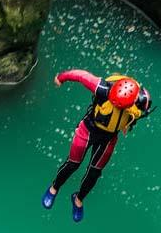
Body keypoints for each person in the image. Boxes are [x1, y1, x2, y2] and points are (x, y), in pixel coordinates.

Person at [41, 69, 155, 222]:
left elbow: (144, 111)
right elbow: (81, 76)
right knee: (72, 164)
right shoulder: (102, 88)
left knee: (94, 173)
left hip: (109, 138)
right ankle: (54, 188)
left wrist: (130, 122)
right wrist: (61, 78)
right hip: (88, 129)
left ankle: (78, 199)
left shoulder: (141, 101)